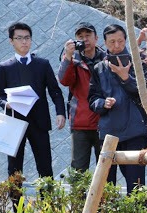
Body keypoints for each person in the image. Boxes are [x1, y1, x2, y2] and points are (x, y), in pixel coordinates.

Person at [0, 22, 66, 208]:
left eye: (27, 37)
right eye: (19, 38)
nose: (24, 42)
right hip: (14, 122)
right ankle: (17, 210)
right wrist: (6, 103)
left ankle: (48, 208)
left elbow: (55, 91)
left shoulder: (42, 64)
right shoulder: (5, 67)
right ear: (11, 41)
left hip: (39, 122)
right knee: (14, 168)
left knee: (45, 166)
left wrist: (60, 113)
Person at [88, 24, 147, 195]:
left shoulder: (137, 62)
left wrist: (125, 77)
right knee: (106, 185)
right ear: (104, 43)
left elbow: (145, 95)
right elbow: (92, 98)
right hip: (108, 132)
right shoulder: (99, 68)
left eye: (120, 41)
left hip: (134, 130)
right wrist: (103, 103)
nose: (116, 45)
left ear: (126, 41)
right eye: (112, 41)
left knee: (136, 186)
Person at [58, 22, 105, 173]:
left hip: (104, 121)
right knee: (78, 170)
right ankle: (78, 198)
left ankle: (104, 198)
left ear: (96, 38)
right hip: (80, 122)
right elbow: (64, 80)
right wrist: (68, 57)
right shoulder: (73, 59)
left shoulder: (107, 58)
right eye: (80, 36)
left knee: (105, 170)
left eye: (88, 36)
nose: (85, 39)